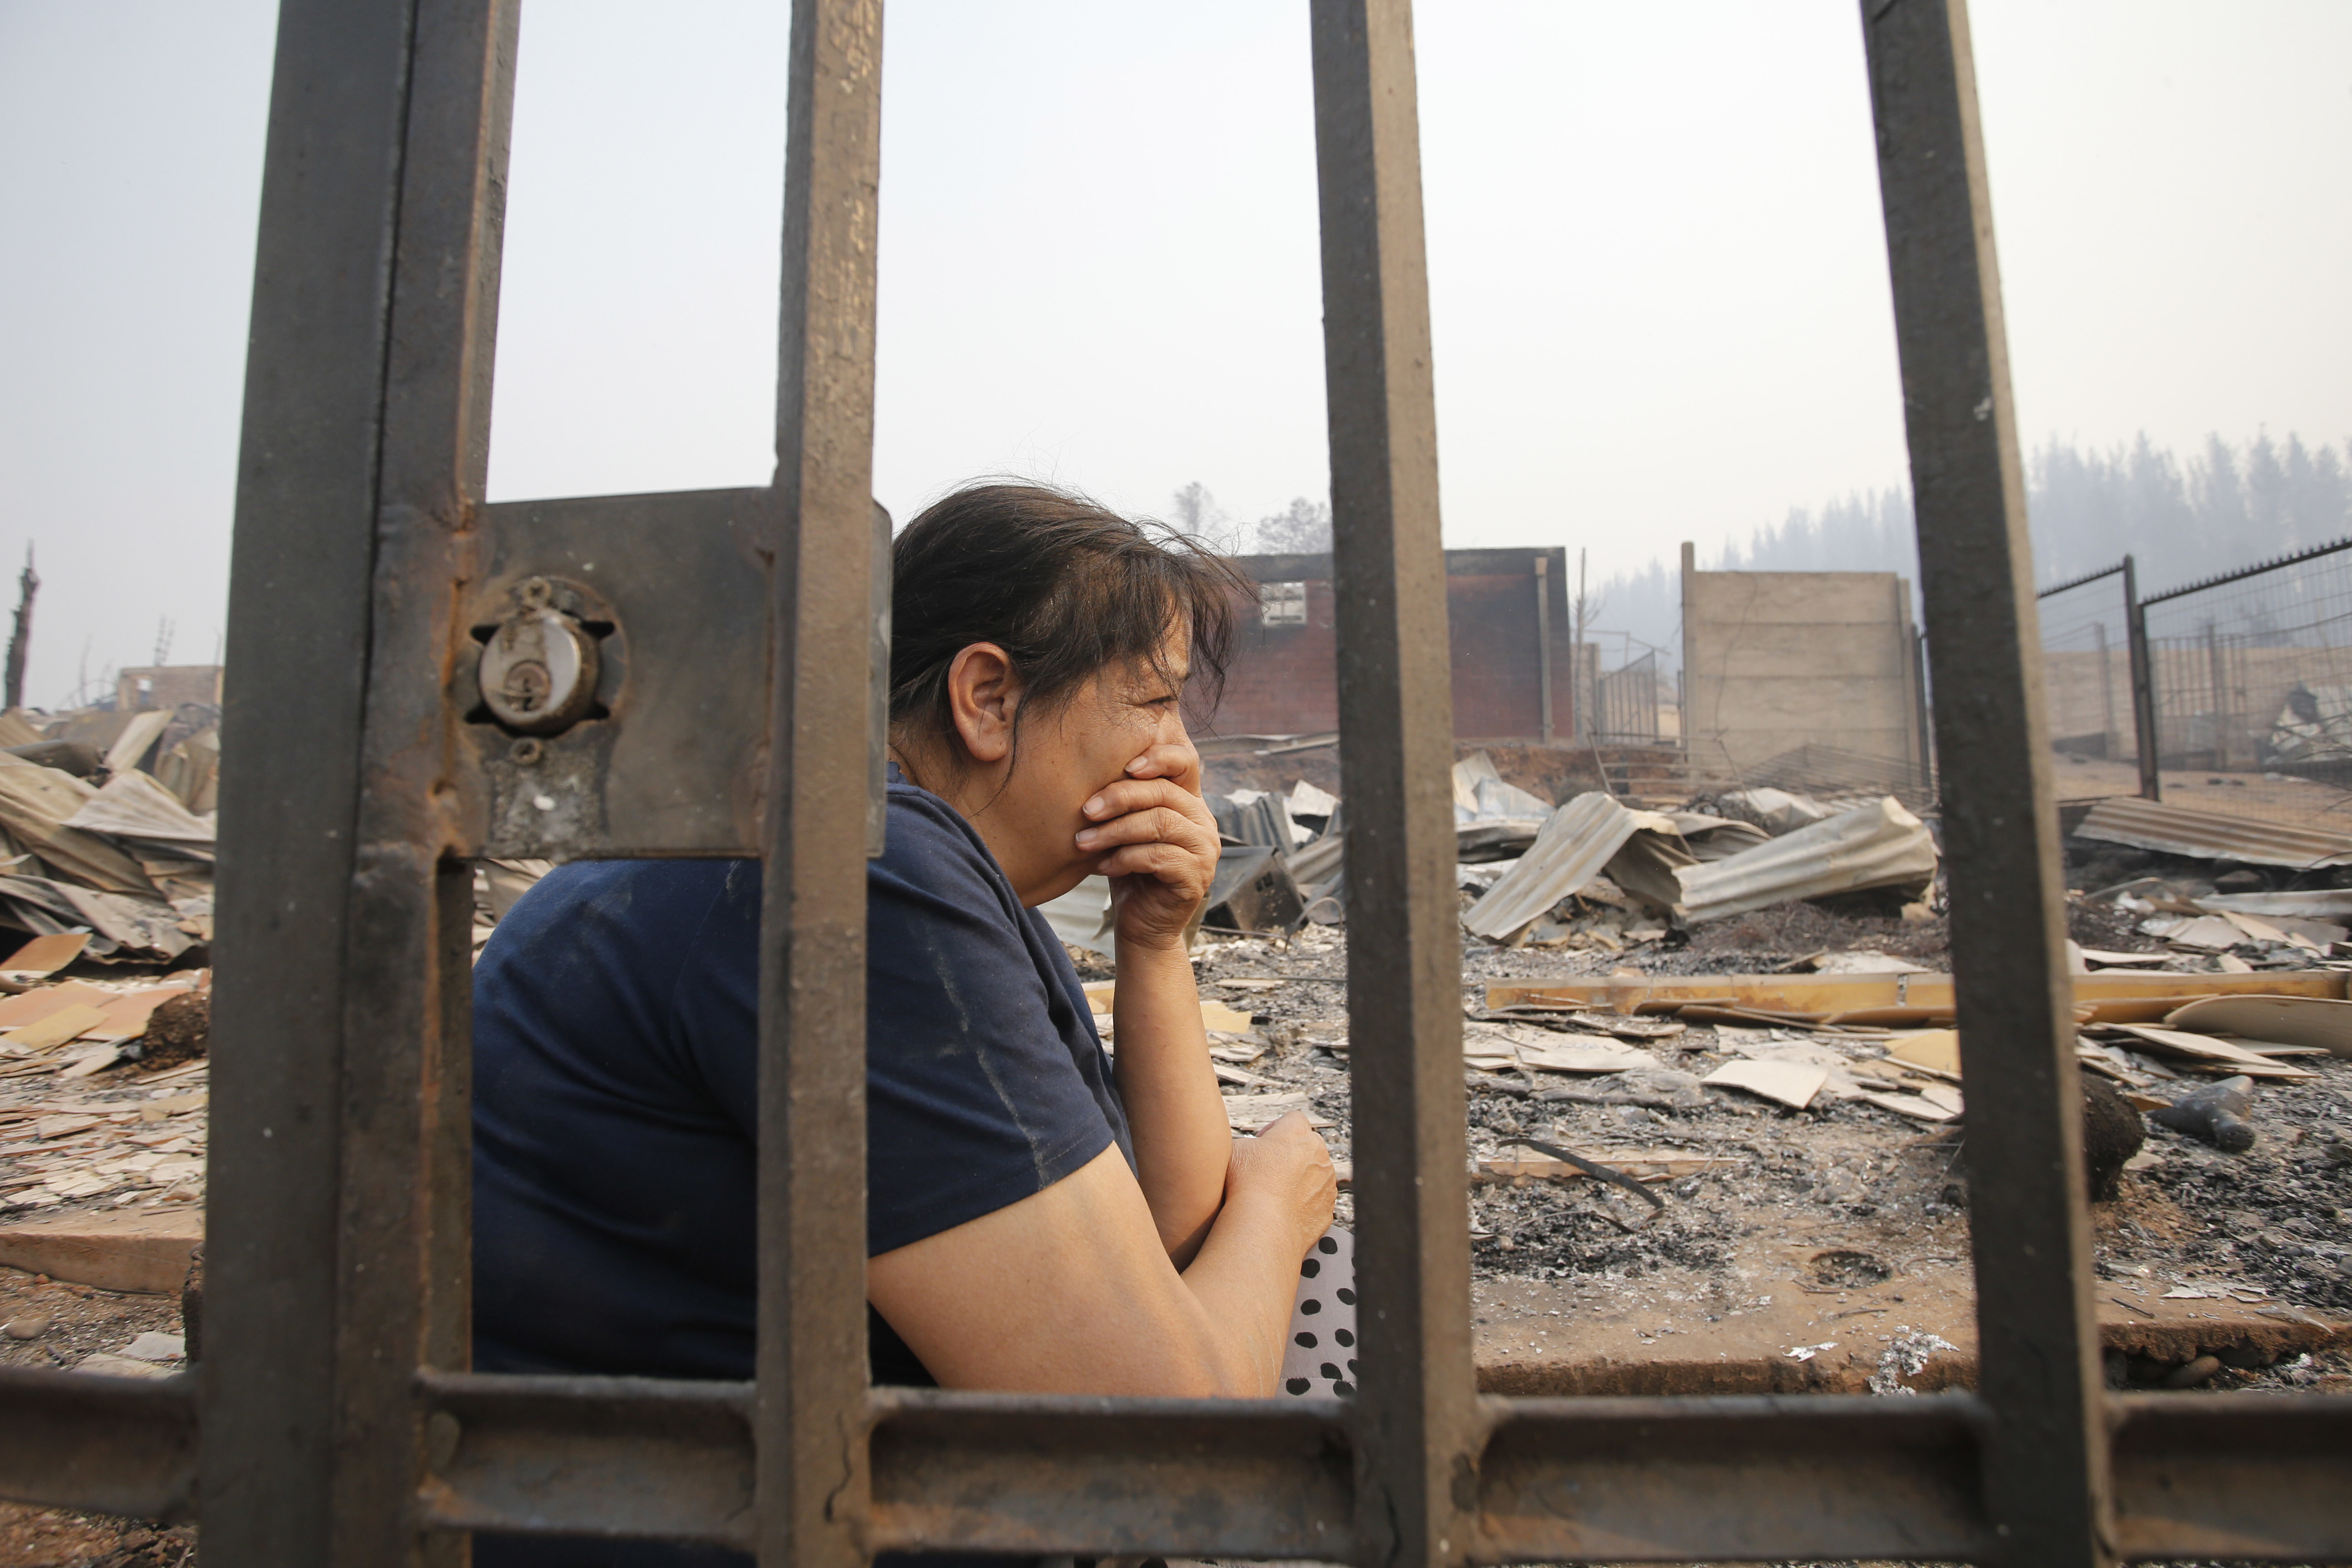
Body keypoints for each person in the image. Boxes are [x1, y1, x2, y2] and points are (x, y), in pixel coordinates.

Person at [470, 483, 1338, 1565]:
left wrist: (1155, 947)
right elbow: (1163, 1450)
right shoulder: (864, 873)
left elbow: (1155, 1250)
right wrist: (1277, 1209)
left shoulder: (898, 861)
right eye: (1154, 702)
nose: (1181, 760)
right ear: (986, 698)